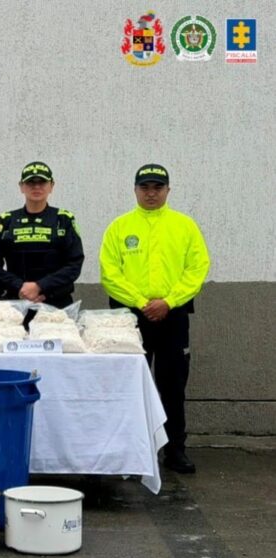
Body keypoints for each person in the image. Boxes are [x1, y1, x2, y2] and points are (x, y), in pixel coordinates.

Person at [100, 163, 210, 474]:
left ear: (168, 190)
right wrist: (140, 302)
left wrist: (169, 302)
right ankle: (127, 453)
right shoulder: (119, 227)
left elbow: (198, 268)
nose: (151, 193)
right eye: (145, 187)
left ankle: (175, 450)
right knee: (128, 385)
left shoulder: (184, 226)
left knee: (173, 385)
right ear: (135, 190)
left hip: (173, 316)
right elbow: (109, 273)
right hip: (130, 318)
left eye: (157, 187)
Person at [0, 162, 84, 309]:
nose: (36, 187)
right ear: (21, 186)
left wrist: (40, 286)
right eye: (30, 182)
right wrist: (20, 286)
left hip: (55, 303)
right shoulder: (6, 220)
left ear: (51, 186)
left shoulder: (64, 219)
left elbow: (74, 264)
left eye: (42, 182)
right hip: (15, 303)